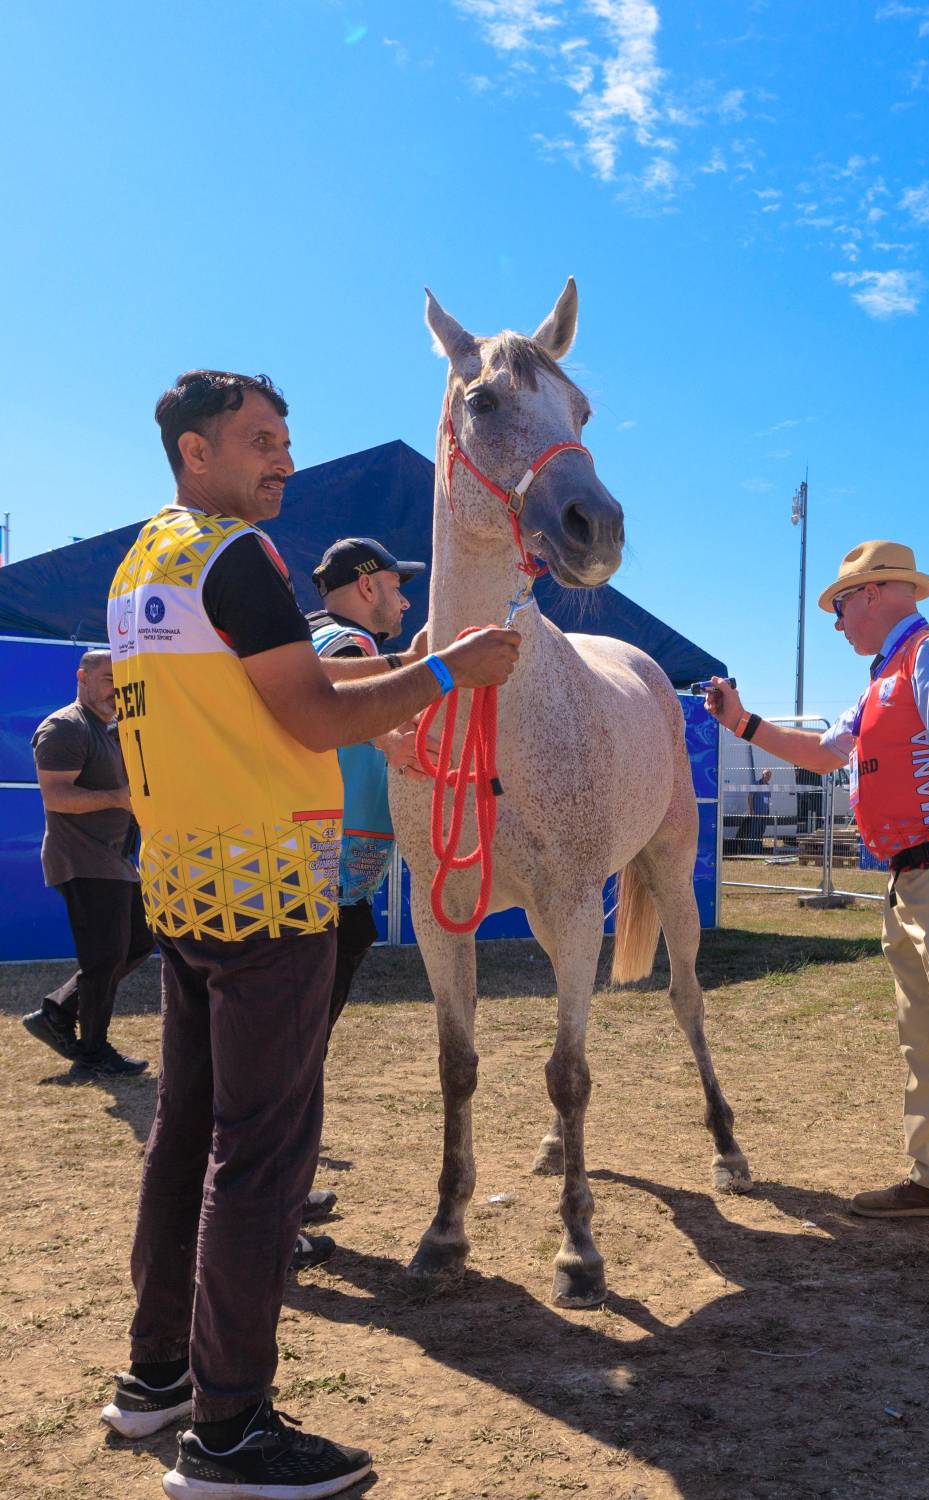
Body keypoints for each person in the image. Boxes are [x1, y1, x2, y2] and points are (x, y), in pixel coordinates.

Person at [99, 369, 520, 1500]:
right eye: (259, 440)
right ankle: (229, 1433)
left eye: (285, 438)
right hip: (273, 896)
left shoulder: (148, 564)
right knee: (260, 1157)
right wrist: (447, 671)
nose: (282, 458)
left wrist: (419, 667)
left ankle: (157, 1381)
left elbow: (279, 691)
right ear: (197, 450)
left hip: (189, 888)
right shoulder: (239, 558)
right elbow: (317, 716)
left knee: (185, 1138)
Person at [706, 540, 929, 1270]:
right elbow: (824, 756)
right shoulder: (877, 685)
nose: (835, 622)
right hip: (911, 878)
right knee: (926, 1036)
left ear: (875, 593)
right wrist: (741, 723)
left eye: (838, 605)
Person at [294, 537, 429, 1253]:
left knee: (295, 1048)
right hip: (328, 883)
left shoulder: (311, 639)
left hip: (321, 877)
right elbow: (348, 689)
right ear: (367, 583)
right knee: (295, 1051)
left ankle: (279, 1189)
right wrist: (393, 736)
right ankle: (267, 1208)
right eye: (398, 586)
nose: (405, 600)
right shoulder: (343, 642)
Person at [22, 649, 152, 1076]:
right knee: (104, 959)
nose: (116, 688)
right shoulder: (64, 727)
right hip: (80, 858)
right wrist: (118, 799)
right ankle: (92, 1055)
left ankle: (57, 1014)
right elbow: (56, 797)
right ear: (82, 676)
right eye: (108, 678)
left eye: (122, 680)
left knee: (136, 945)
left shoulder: (111, 729)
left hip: (113, 859)